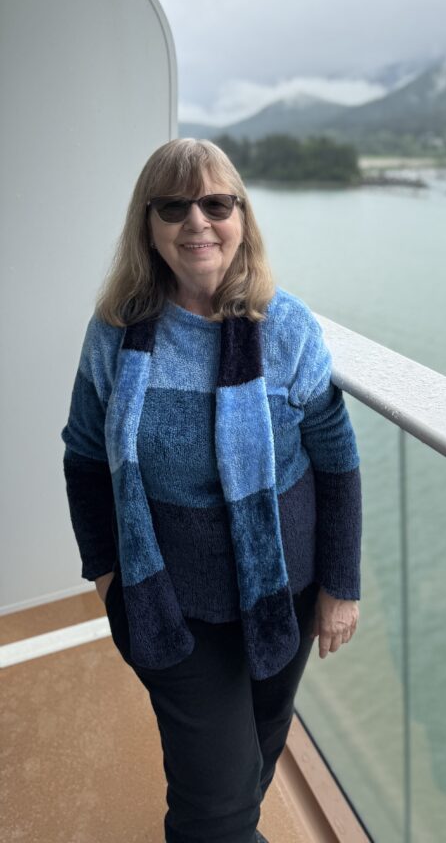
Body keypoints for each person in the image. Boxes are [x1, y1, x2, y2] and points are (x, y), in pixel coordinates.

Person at [62, 138, 362, 843]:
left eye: (216, 203)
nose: (197, 221)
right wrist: (107, 574)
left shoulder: (286, 328)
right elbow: (82, 457)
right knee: (214, 814)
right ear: (149, 225)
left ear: (240, 216)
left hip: (281, 597)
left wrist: (340, 585)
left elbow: (336, 457)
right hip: (169, 604)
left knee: (257, 749)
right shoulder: (115, 335)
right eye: (173, 206)